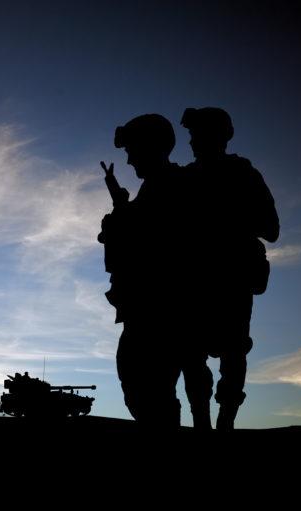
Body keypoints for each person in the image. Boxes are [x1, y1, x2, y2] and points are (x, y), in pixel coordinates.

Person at [99, 113, 211, 429]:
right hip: (153, 308)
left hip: (163, 309)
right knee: (148, 387)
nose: (131, 159)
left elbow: (155, 237)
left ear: (152, 147)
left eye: (133, 150)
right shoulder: (158, 187)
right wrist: (119, 204)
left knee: (146, 386)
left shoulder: (174, 185)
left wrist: (120, 221)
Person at [181, 107, 279, 430]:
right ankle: (202, 424)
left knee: (232, 356)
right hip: (194, 283)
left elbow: (271, 228)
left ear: (218, 136)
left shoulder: (243, 174)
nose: (193, 142)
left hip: (232, 282)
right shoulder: (186, 179)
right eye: (192, 135)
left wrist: (230, 218)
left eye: (198, 135)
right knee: (192, 356)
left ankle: (224, 424)